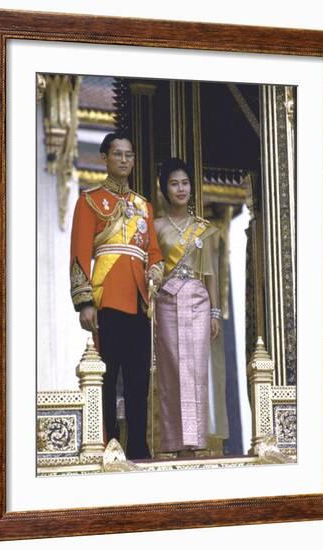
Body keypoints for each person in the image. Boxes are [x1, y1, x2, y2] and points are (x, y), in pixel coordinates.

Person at [70, 132, 164, 460]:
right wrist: (84, 303)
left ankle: (138, 447)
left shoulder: (144, 206)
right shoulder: (90, 201)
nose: (124, 160)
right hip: (107, 299)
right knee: (107, 381)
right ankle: (109, 446)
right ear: (104, 158)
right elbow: (80, 253)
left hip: (139, 301)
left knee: (138, 380)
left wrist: (156, 270)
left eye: (129, 154)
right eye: (117, 154)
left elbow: (153, 252)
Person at [154, 157, 221, 456]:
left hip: (197, 300)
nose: (180, 189)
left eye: (185, 183)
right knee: (171, 372)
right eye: (174, 183)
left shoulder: (203, 229)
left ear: (191, 187)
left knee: (195, 371)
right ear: (164, 189)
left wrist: (215, 312)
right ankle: (174, 443)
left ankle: (194, 443)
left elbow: (210, 273)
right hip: (166, 301)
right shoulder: (155, 227)